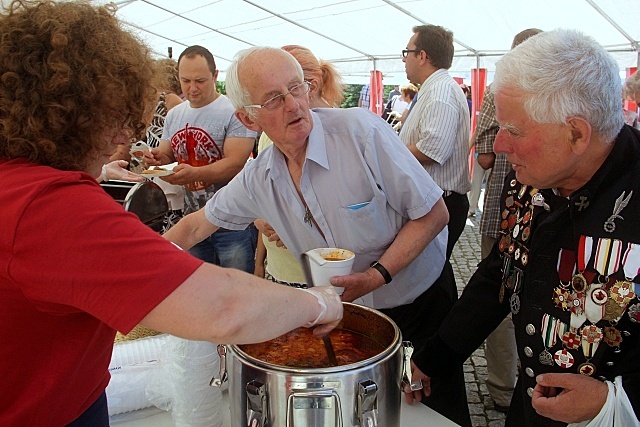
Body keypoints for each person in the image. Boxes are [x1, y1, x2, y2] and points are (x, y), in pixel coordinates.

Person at [0, 2, 342, 425]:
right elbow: (222, 308)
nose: (124, 135)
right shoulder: (48, 204)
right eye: (113, 116)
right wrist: (319, 303)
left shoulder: (17, 183)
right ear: (70, 115)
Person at [163, 45, 471, 427]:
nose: (294, 105)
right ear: (248, 118)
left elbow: (434, 213)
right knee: (374, 414)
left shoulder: (361, 132)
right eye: (274, 99)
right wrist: (138, 272)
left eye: (297, 88)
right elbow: (195, 226)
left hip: (421, 306)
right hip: (351, 315)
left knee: (439, 416)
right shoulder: (262, 177)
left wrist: (375, 275)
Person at [406, 29, 640, 427]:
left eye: (513, 130)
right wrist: (435, 357)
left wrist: (613, 400)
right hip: (530, 407)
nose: (498, 145)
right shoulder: (533, 180)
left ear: (577, 133)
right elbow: (502, 269)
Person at [474, 28, 543, 413]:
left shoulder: (499, 89)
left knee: (507, 292)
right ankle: (506, 388)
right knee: (502, 288)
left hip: (508, 208)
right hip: (507, 209)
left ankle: (507, 387)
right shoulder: (504, 89)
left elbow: (485, 151)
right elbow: (488, 147)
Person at [144, 45, 258, 273]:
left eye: (200, 81)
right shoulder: (175, 114)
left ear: (215, 76)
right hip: (192, 218)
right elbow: (167, 153)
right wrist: (157, 159)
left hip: (232, 222)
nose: (192, 88)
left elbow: (235, 163)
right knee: (201, 289)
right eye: (185, 81)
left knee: (236, 289)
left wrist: (195, 173)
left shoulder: (233, 110)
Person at [254, 44, 344, 287]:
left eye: (275, 94)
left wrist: (294, 228)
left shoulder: (346, 136)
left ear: (309, 85)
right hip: (279, 270)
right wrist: (260, 223)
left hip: (325, 275)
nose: (276, 104)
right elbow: (260, 198)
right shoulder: (269, 135)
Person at [399, 24, 472, 260]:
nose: (404, 60)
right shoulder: (433, 89)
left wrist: (392, 152)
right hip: (435, 201)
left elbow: (432, 149)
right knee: (431, 276)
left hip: (441, 202)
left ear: (422, 56)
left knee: (431, 279)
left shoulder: (440, 92)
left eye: (406, 52)